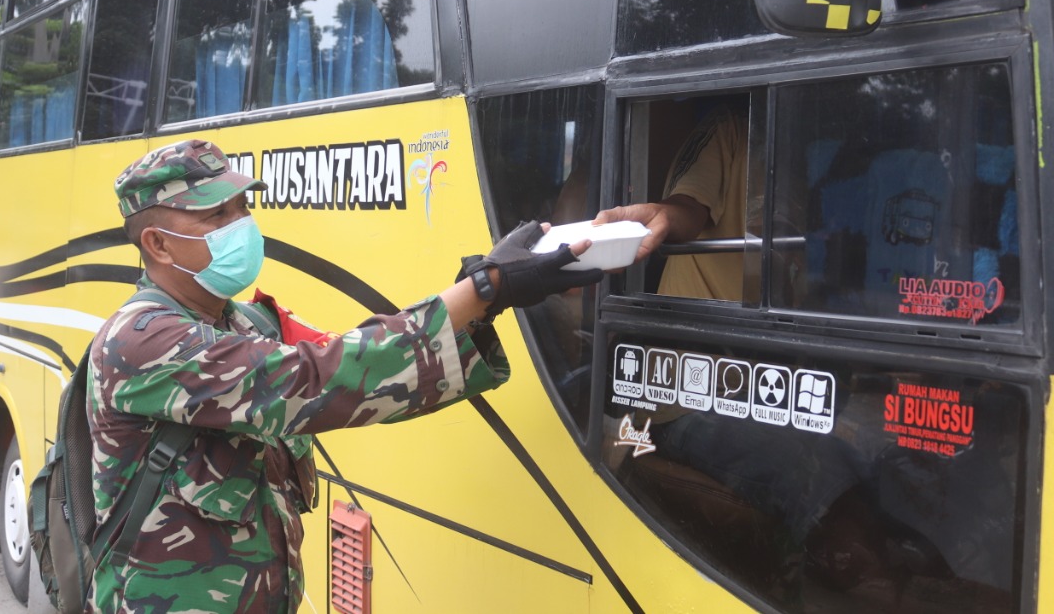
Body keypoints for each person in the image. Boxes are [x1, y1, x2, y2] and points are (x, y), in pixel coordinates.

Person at [85, 138, 602, 613]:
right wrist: (484, 287)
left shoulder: (244, 322)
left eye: (243, 207)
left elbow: (362, 366)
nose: (240, 224)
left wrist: (485, 298)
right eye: (217, 214)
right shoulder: (140, 341)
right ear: (158, 244)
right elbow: (318, 380)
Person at [594, 102, 748, 300]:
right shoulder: (730, 128)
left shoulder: (795, 158)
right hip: (693, 319)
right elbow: (690, 205)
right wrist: (663, 217)